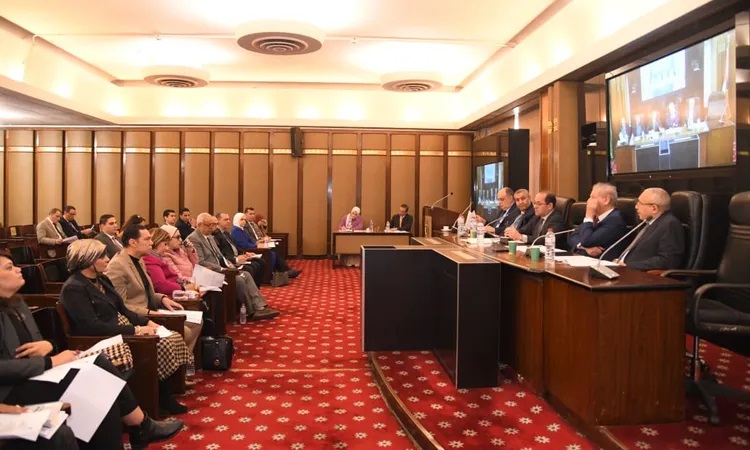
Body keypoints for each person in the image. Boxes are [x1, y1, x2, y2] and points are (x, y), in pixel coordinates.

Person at [0, 252, 183, 449]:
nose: (18, 269)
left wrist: (50, 346)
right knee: (97, 382)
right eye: (9, 267)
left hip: (36, 373)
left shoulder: (17, 303)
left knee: (100, 365)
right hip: (11, 389)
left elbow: (39, 345)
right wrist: (50, 361)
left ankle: (140, 426)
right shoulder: (74, 287)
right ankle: (140, 426)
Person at [188, 213, 279, 321]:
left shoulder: (210, 237)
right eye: (209, 225)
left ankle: (259, 306)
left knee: (246, 274)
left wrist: (228, 264)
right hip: (208, 273)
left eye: (213, 225)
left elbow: (220, 256)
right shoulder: (194, 239)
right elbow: (200, 262)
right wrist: (222, 269)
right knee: (238, 280)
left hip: (221, 268)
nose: (212, 228)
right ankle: (251, 310)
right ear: (199, 225)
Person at [614, 187, 685, 271]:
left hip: (640, 274)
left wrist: (629, 266)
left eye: (639, 203)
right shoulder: (649, 222)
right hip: (624, 269)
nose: (636, 207)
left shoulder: (670, 224)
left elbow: (668, 260)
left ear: (654, 208)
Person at [567, 183, 628, 260]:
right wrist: (582, 246)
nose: (588, 201)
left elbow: (586, 241)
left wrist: (588, 216)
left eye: (592, 197)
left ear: (606, 200)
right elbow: (572, 237)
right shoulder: (596, 218)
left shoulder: (615, 220)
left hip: (603, 264)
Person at [143, 228, 199, 296]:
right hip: (171, 294)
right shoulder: (151, 259)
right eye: (165, 244)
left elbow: (195, 264)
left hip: (180, 287)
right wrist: (184, 287)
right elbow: (161, 286)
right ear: (157, 242)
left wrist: (190, 250)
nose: (167, 248)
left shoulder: (178, 252)